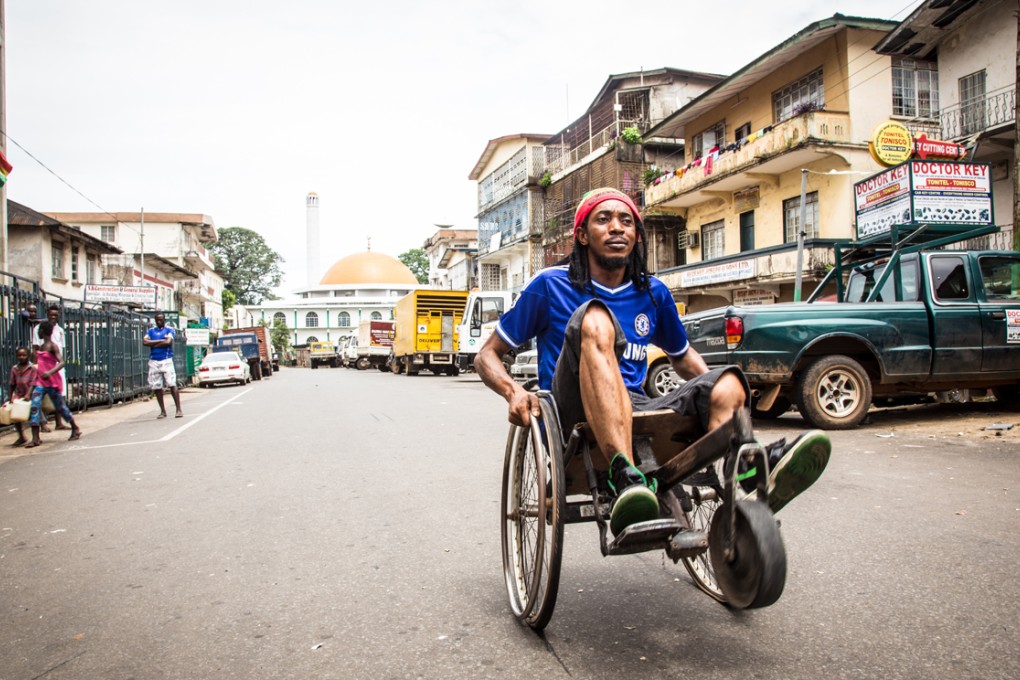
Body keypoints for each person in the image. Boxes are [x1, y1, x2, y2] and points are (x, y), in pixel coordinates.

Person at [474, 187, 830, 536]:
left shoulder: (653, 292)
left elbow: (682, 356)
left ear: (636, 235)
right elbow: (487, 355)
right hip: (572, 410)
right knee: (595, 317)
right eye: (604, 220)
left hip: (635, 403)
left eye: (626, 221)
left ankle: (745, 470)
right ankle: (623, 474)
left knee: (729, 381)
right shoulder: (550, 286)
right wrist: (513, 392)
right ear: (582, 235)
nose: (617, 227)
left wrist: (715, 393)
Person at [26, 322, 81, 448]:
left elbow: (61, 362)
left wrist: (49, 372)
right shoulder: (40, 347)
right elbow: (37, 366)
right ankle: (35, 437)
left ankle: (75, 427)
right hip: (40, 382)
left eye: (39, 330)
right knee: (34, 406)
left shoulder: (52, 346)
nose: (38, 333)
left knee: (60, 407)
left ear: (43, 332)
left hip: (51, 381)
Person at [31, 304, 69, 430]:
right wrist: (36, 368)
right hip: (43, 369)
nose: (53, 317)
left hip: (56, 368)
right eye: (51, 314)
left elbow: (60, 354)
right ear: (47, 314)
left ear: (59, 316)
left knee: (59, 395)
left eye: (55, 315)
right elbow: (35, 349)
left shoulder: (60, 330)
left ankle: (59, 423)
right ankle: (42, 424)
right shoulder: (38, 329)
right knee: (39, 398)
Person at [143, 312, 182, 419]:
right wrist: (161, 341)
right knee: (156, 386)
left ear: (164, 320)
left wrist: (153, 343)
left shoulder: (169, 330)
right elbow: (145, 342)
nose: (159, 321)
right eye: (157, 320)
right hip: (154, 360)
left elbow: (168, 342)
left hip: (166, 360)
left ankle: (178, 409)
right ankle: (163, 411)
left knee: (171, 383)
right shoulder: (151, 331)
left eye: (161, 319)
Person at [7, 347, 37, 446]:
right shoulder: (14, 369)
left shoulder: (32, 368)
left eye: (24, 355)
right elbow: (12, 383)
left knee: (34, 416)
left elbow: (33, 383)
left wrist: (28, 394)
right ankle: (21, 436)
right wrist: (10, 396)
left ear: (28, 356)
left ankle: (36, 437)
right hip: (19, 394)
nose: (22, 357)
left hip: (31, 394)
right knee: (16, 416)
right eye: (19, 355)